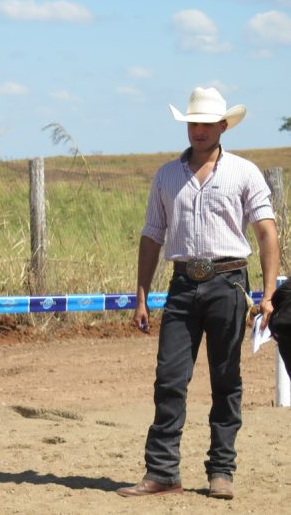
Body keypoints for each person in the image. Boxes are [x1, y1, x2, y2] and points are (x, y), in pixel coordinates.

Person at [117, 87, 278, 501]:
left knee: (226, 379)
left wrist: (268, 293)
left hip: (229, 283)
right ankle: (162, 471)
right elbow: (151, 237)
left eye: (206, 123)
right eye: (193, 123)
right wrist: (141, 296)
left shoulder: (244, 172)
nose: (199, 130)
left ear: (223, 126)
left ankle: (221, 470)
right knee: (169, 379)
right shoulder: (166, 176)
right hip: (182, 285)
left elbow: (266, 232)